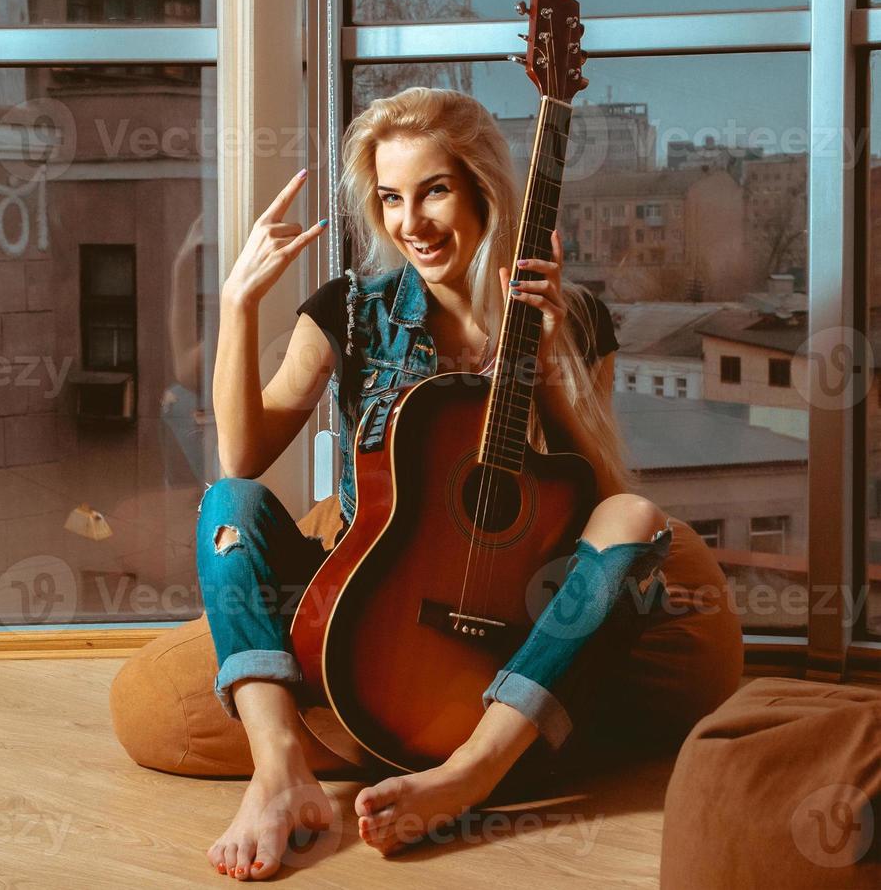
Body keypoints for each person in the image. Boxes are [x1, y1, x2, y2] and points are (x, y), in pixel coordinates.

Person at [197, 87, 741, 881]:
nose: (409, 222)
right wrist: (238, 305)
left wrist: (553, 366)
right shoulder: (349, 315)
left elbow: (600, 493)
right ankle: (279, 774)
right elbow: (243, 456)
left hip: (515, 629)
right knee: (228, 506)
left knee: (635, 515)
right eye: (389, 198)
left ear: (482, 186)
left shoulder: (575, 313)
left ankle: (470, 773)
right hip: (368, 621)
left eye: (434, 191)